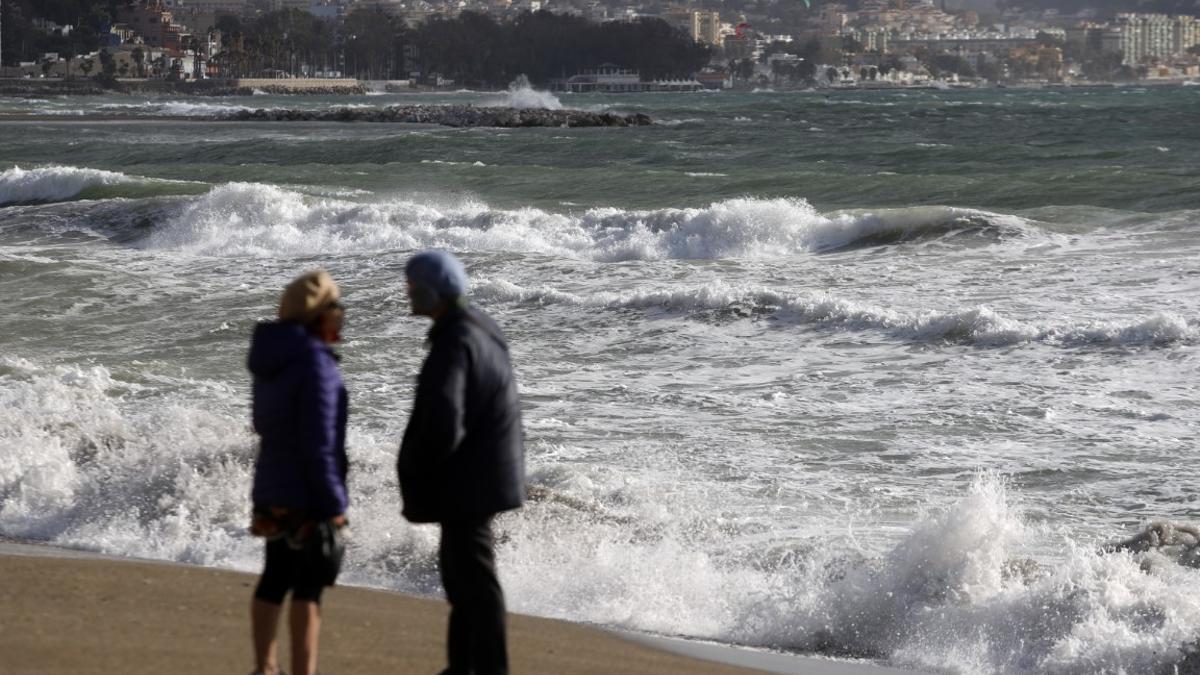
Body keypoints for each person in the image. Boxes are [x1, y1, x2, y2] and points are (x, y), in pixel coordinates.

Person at [397, 250, 526, 675]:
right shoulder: (479, 327)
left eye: (412, 286)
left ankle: (488, 669)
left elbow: (443, 422)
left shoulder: (455, 341)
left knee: (474, 580)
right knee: (462, 578)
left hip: (469, 479)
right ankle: (462, 666)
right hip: (483, 471)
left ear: (434, 291)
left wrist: (420, 468)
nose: (407, 292)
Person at [247, 269, 349, 675]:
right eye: (336, 310)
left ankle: (264, 667)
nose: (341, 319)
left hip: (271, 482)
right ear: (321, 316)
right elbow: (319, 445)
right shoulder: (315, 364)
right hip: (307, 490)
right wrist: (334, 504)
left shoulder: (272, 359)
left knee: (275, 576)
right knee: (308, 586)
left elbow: (261, 422)